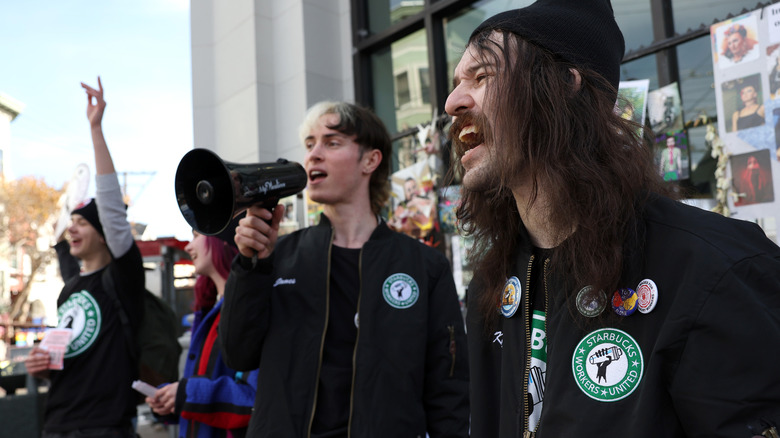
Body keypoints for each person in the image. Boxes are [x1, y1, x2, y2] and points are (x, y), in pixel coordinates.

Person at [444, 0, 780, 437]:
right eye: (456, 83)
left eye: (483, 76)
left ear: (563, 84)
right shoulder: (491, 287)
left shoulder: (714, 267)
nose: (452, 102)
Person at [218, 101, 469, 437]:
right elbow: (237, 354)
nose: (313, 155)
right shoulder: (278, 257)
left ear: (370, 160)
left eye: (332, 142)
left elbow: (448, 394)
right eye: (309, 145)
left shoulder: (424, 266)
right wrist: (249, 265)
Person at [24, 77, 145, 438]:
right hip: (56, 425)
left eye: (83, 224)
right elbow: (66, 354)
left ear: (106, 234)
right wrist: (42, 365)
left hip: (103, 428)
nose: (72, 230)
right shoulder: (70, 289)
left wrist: (96, 128)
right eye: (71, 223)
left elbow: (110, 208)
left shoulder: (123, 278)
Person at [146, 229, 258, 437]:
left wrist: (187, 394)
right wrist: (172, 400)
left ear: (223, 241)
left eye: (196, 236)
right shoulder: (210, 312)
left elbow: (254, 400)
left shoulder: (250, 310)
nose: (188, 247)